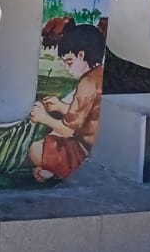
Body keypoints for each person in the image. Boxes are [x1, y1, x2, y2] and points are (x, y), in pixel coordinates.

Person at [28, 22, 105, 182]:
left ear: (81, 55)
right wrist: (61, 106)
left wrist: (44, 118)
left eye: (69, 62)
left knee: (35, 149)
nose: (66, 68)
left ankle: (58, 170)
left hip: (84, 150)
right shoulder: (99, 75)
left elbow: (69, 131)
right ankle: (53, 170)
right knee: (52, 136)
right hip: (95, 144)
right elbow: (85, 114)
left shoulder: (87, 84)